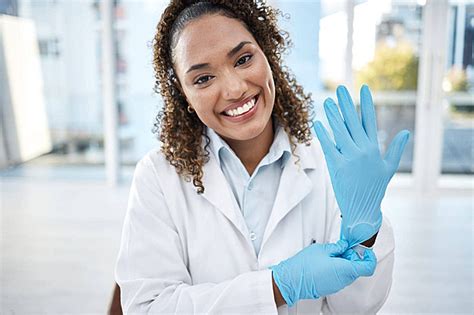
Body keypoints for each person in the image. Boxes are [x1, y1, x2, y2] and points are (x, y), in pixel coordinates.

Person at [114, 0, 410, 313]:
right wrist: (277, 286)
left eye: (243, 59)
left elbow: (356, 309)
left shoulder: (329, 164)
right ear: (184, 95)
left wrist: (365, 234)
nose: (234, 89)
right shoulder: (158, 176)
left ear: (267, 53)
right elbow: (147, 308)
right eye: (203, 78)